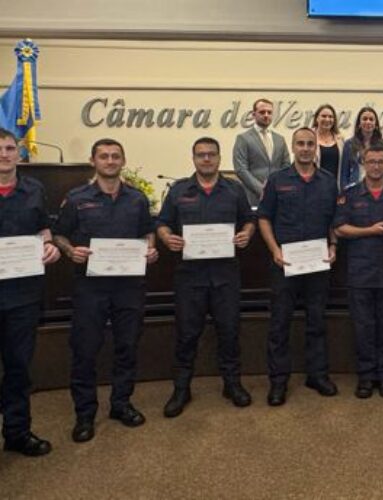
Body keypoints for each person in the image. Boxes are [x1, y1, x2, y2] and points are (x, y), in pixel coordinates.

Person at [53, 138, 158, 444]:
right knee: (85, 350)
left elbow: (147, 231)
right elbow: (59, 234)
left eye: (115, 156)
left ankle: (121, 404)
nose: (110, 161)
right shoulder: (76, 198)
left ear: (123, 161)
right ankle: (85, 414)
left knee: (127, 346)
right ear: (93, 161)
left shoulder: (137, 199)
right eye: (104, 156)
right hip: (91, 287)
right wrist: (70, 250)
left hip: (129, 287)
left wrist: (150, 249)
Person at [157, 137, 256, 418]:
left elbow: (248, 218)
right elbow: (162, 223)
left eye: (211, 154)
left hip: (226, 275)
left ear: (219, 157)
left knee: (229, 331)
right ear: (194, 158)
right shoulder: (178, 191)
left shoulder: (234, 190)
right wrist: (167, 238)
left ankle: (232, 384)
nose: (207, 159)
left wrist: (247, 233)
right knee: (187, 334)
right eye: (201, 155)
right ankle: (181, 388)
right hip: (190, 276)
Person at [257, 128, 339, 405]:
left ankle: (317, 375)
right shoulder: (278, 180)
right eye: (300, 144)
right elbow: (264, 218)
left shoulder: (328, 182)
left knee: (317, 322)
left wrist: (333, 246)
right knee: (279, 324)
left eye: (310, 144)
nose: (305, 148)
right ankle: (278, 382)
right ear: (292, 147)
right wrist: (274, 250)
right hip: (285, 264)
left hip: (318, 264)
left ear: (316, 147)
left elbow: (334, 221)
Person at [0, 128, 61, 457]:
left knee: (19, 366)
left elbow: (42, 229)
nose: (4, 154)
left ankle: (17, 432)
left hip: (23, 295)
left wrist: (49, 245)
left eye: (10, 148)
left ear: (19, 153)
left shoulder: (35, 189)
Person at [334, 145, 383, 398]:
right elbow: (340, 228)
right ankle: (365, 377)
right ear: (363, 163)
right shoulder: (349, 195)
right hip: (360, 272)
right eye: (371, 161)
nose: (375, 166)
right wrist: (369, 230)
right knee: (363, 327)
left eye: (381, 162)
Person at [233, 98, 292, 205]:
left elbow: (286, 165)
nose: (266, 115)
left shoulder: (280, 139)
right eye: (262, 112)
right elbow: (241, 169)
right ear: (253, 114)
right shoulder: (243, 138)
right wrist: (262, 190)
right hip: (253, 196)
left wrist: (278, 188)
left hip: (278, 195)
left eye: (269, 112)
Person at [339, 106, 383, 189]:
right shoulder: (349, 144)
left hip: (378, 189)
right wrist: (344, 192)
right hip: (355, 189)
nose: (368, 122)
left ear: (376, 124)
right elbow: (344, 174)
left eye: (371, 119)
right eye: (365, 119)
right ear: (359, 123)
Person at [311, 104, 345, 188]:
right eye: (324, 116)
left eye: (330, 117)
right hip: (314, 187)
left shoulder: (340, 140)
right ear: (317, 118)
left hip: (335, 189)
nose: (327, 119)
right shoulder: (310, 137)